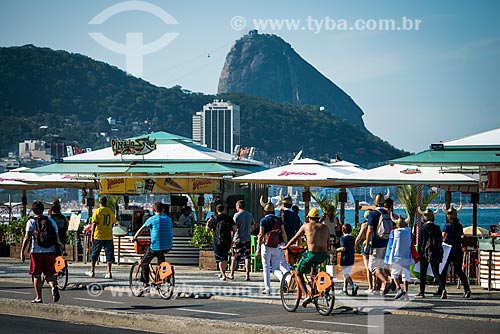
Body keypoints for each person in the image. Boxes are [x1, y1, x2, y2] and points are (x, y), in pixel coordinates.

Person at [281, 208, 329, 306]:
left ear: (309, 217)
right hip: (323, 255)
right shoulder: (325, 227)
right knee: (313, 272)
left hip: (312, 254)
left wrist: (286, 246)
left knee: (298, 273)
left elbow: (295, 238)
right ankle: (315, 288)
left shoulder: (306, 226)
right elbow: (327, 243)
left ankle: (306, 294)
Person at [20, 201, 62, 303]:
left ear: (33, 210)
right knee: (49, 274)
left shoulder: (31, 222)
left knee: (37, 275)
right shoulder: (51, 221)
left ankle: (39, 297)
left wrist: (22, 251)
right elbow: (57, 239)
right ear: (43, 210)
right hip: (50, 251)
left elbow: (27, 237)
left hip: (36, 252)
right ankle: (53, 287)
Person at [133, 202, 173, 288]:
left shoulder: (152, 219)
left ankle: (145, 283)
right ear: (163, 209)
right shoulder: (168, 219)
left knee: (144, 262)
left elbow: (142, 229)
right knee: (161, 259)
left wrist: (135, 237)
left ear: (153, 210)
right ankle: (162, 277)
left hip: (156, 246)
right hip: (168, 245)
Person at [438, 206, 471, 298]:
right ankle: (467, 289)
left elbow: (443, 236)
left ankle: (442, 288)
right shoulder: (460, 226)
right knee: (459, 270)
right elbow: (461, 236)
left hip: (448, 249)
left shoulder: (447, 226)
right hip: (458, 249)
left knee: (444, 269)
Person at [257, 200, 289, 294]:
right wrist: (286, 244)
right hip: (277, 246)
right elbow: (283, 233)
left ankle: (267, 288)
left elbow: (260, 234)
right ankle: (283, 280)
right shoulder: (279, 219)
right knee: (276, 268)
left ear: (265, 211)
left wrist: (258, 248)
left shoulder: (263, 220)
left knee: (266, 267)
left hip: (266, 246)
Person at [364, 195, 394, 294]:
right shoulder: (389, 213)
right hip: (387, 243)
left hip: (376, 243)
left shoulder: (373, 214)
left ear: (375, 202)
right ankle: (377, 289)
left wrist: (367, 243)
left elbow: (369, 230)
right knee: (381, 266)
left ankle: (387, 281)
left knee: (373, 267)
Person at [416, 209, 446, 299]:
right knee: (436, 272)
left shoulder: (422, 228)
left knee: (423, 273)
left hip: (425, 253)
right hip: (435, 252)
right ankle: (443, 288)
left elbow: (420, 242)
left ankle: (422, 292)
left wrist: (419, 253)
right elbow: (440, 240)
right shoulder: (437, 228)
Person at [86, 196, 116, 279]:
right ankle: (109, 272)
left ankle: (92, 271)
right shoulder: (110, 211)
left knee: (95, 253)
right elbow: (113, 223)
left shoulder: (97, 211)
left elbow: (94, 224)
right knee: (109, 254)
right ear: (106, 202)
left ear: (99, 202)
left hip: (98, 236)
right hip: (108, 236)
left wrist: (92, 235)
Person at [384, 215, 413, 300]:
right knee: (406, 275)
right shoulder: (408, 232)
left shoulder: (394, 232)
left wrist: (388, 258)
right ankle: (406, 293)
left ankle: (398, 288)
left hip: (396, 257)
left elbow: (390, 246)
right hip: (407, 256)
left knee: (394, 274)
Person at [206, 204, 237, 281]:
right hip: (227, 240)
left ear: (217, 210)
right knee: (225, 258)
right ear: (224, 210)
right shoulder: (228, 218)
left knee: (220, 259)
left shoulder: (214, 219)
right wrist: (232, 238)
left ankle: (223, 275)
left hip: (217, 241)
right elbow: (235, 229)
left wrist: (207, 222)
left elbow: (207, 230)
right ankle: (223, 273)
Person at [228, 200, 255, 281]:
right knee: (247, 256)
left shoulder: (236, 215)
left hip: (238, 239)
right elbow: (252, 226)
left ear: (238, 206)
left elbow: (234, 228)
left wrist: (231, 239)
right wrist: (248, 232)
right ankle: (247, 275)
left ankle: (232, 274)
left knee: (235, 257)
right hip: (247, 239)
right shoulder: (250, 215)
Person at [354, 210, 373, 292]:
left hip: (366, 244)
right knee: (374, 266)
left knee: (368, 267)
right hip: (375, 244)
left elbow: (359, 236)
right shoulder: (375, 224)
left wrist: (354, 245)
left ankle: (370, 287)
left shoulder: (364, 225)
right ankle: (376, 285)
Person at [338, 223, 358, 296]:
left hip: (345, 257)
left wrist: (335, 250)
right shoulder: (352, 238)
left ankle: (353, 285)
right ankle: (344, 289)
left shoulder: (343, 238)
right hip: (351, 257)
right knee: (346, 273)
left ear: (343, 231)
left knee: (345, 274)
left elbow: (343, 248)